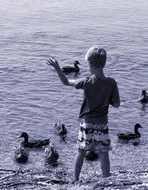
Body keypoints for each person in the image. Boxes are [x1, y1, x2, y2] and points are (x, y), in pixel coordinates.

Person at [47, 46, 120, 181]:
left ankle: (75, 180)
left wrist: (57, 68)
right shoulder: (111, 82)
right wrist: (108, 100)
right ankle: (106, 180)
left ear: (90, 64)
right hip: (102, 124)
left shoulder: (86, 81)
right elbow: (117, 104)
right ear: (104, 63)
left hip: (86, 123)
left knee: (81, 151)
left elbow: (66, 82)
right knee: (103, 153)